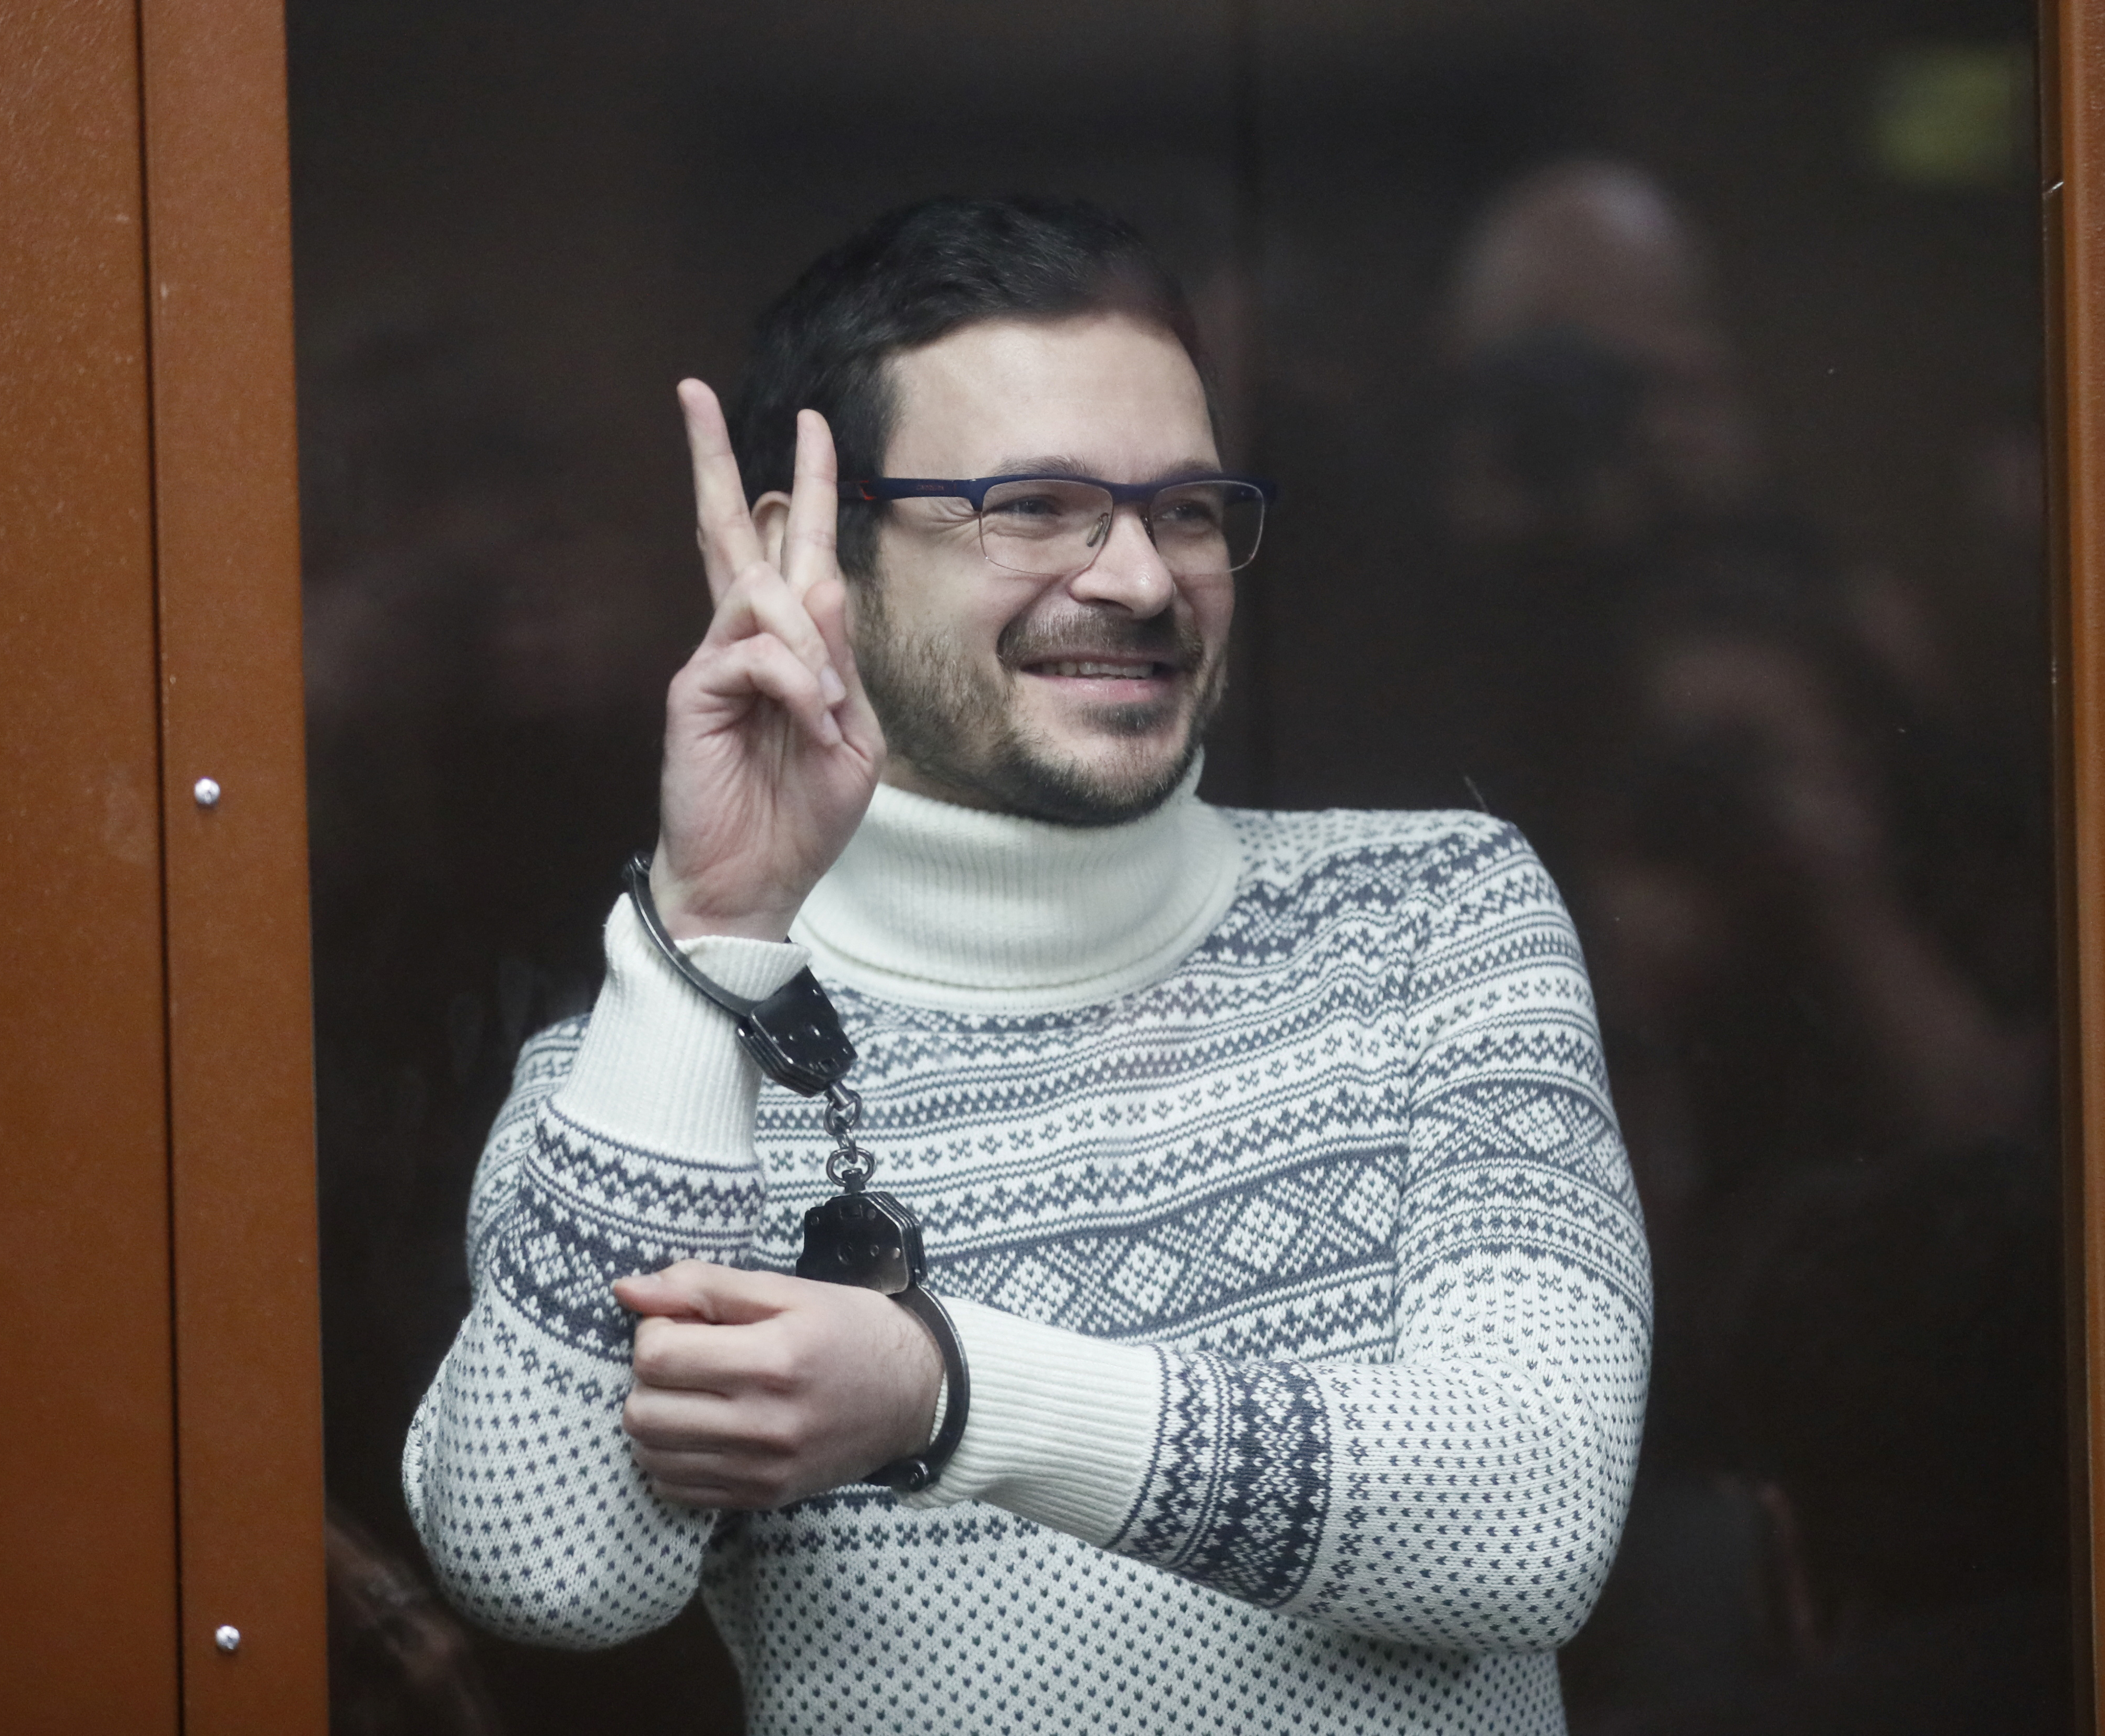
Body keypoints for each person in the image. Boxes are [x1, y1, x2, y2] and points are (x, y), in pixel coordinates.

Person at [404, 194, 1650, 1735]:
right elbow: (547, 1566)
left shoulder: (1431, 917)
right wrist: (713, 923)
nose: (1136, 578)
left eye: (1185, 509)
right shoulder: (656, 1062)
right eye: (1035, 504)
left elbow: (1522, 1521)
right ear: (817, 553)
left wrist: (938, 1390)